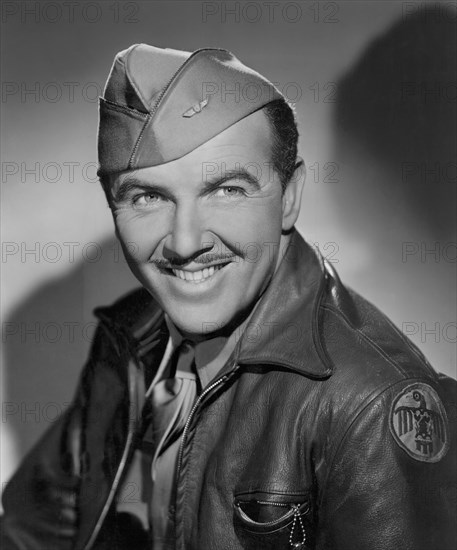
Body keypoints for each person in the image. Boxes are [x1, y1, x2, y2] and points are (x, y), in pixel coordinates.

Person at [1, 44, 455, 550]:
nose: (186, 242)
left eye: (226, 189)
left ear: (289, 197)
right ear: (111, 203)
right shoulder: (129, 337)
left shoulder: (372, 402)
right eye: (148, 197)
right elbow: (32, 531)